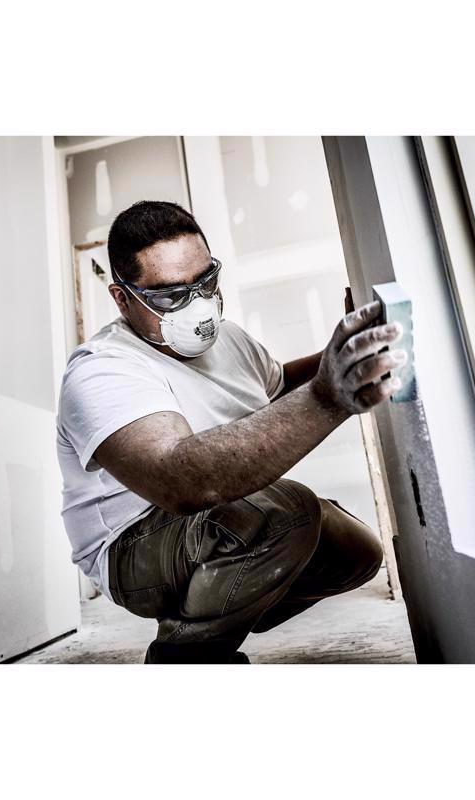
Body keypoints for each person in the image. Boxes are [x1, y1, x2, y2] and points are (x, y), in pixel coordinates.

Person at [56, 200, 407, 663]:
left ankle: (230, 597)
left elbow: (276, 389)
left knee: (355, 552)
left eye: (205, 281)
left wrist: (343, 354)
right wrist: (327, 397)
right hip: (131, 546)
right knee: (287, 512)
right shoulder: (102, 370)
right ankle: (186, 656)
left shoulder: (231, 338)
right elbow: (178, 481)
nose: (198, 305)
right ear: (123, 298)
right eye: (169, 294)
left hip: (212, 523)